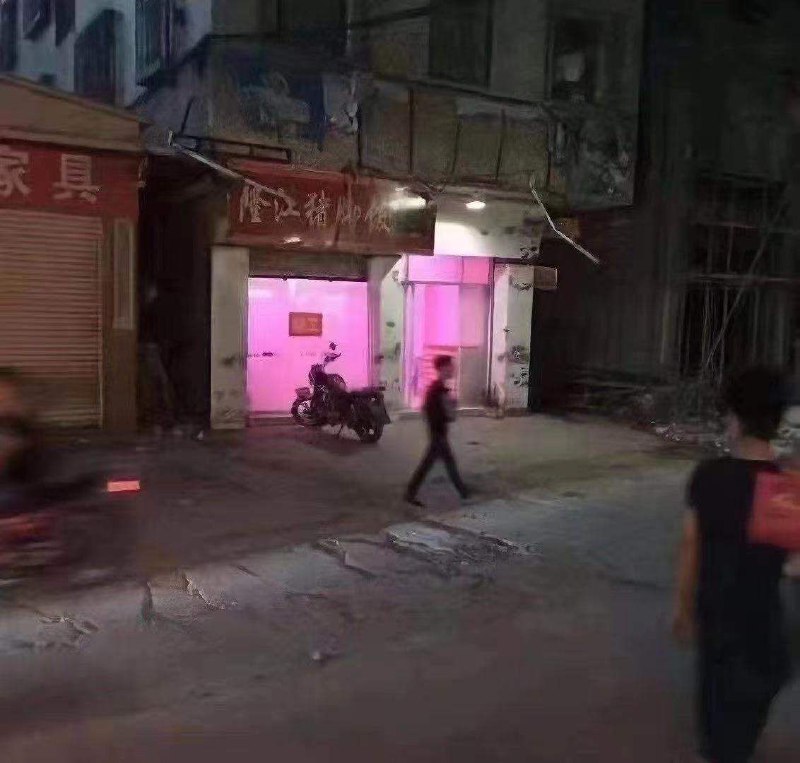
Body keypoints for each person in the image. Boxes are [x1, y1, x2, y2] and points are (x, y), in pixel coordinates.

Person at [673, 366, 792, 763]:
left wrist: (683, 609)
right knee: (748, 712)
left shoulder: (709, 476)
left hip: (719, 621)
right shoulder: (786, 487)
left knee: (717, 718)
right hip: (765, 622)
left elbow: (691, 546)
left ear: (735, 421)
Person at [404, 355, 471, 508]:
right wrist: (452, 405)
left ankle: (463, 491)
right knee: (442, 464)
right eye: (450, 366)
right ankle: (463, 492)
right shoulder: (438, 390)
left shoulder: (436, 388)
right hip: (438, 434)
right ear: (442, 368)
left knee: (438, 463)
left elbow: (427, 411)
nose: (453, 369)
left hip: (438, 434)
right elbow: (449, 415)